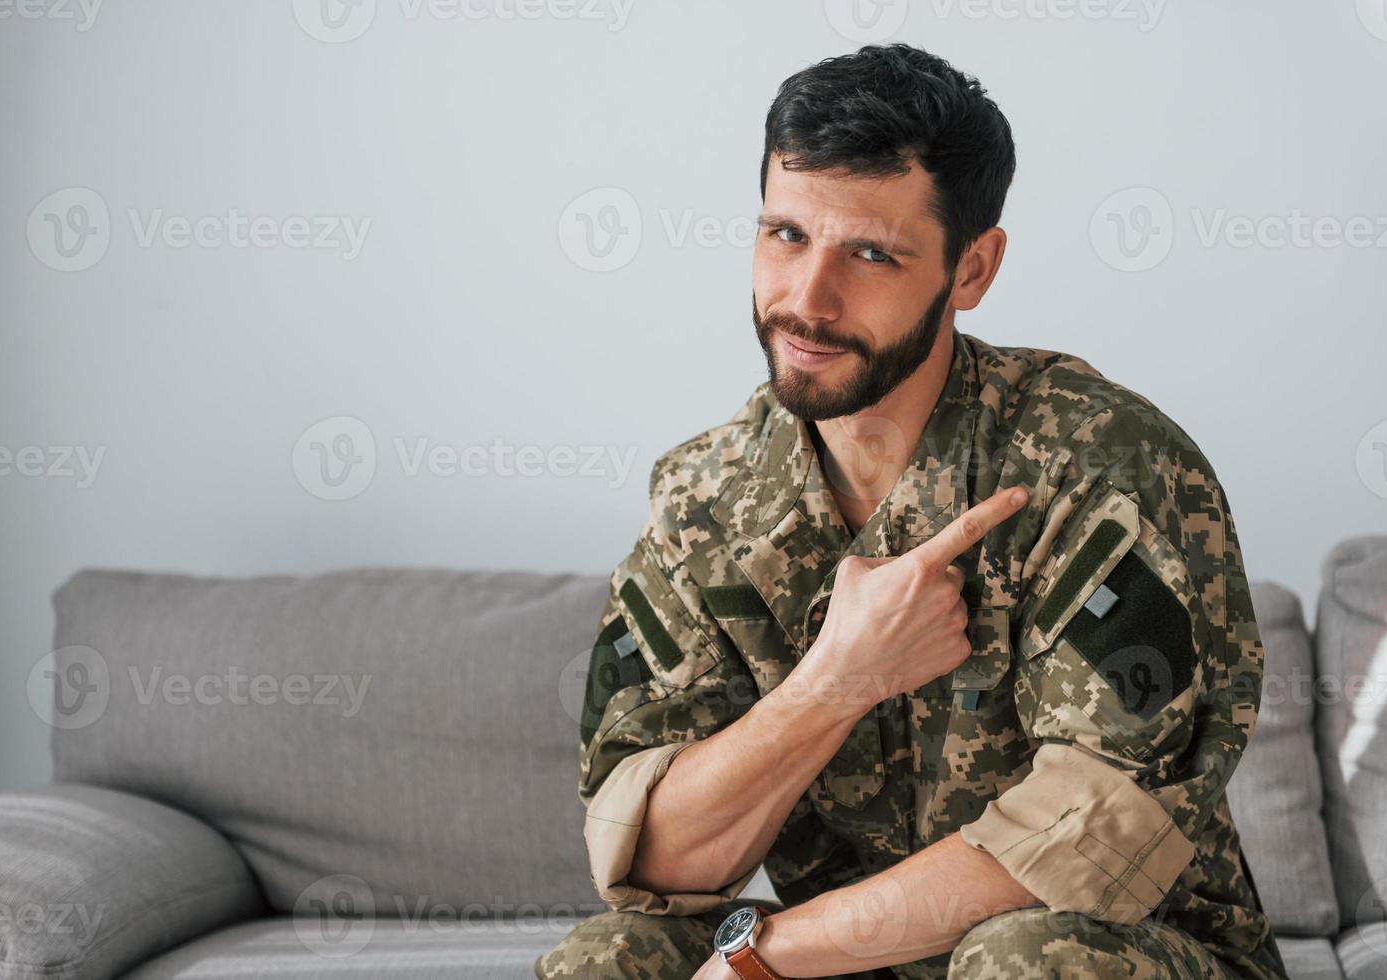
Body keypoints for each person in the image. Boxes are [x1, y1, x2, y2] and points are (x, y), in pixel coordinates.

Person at [538, 42, 1286, 980]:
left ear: (971, 271)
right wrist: (839, 678)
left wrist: (757, 959)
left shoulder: (1099, 464)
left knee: (1025, 961)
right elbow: (654, 861)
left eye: (870, 253)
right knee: (609, 958)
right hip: (844, 962)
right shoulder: (704, 500)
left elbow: (1088, 835)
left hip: (1115, 951)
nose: (806, 301)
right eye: (786, 235)